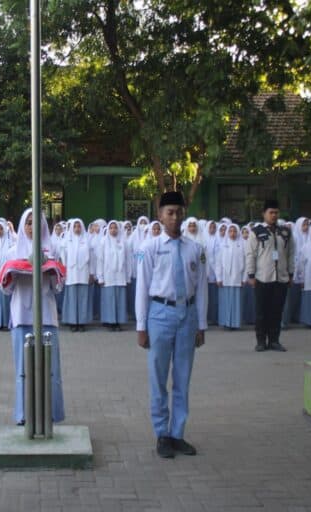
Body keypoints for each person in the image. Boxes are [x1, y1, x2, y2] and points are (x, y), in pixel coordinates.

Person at [135, 191, 207, 459]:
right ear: (160, 215)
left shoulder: (195, 249)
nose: (175, 217)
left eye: (179, 212)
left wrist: (201, 324)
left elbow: (201, 289)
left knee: (183, 378)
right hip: (160, 314)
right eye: (170, 213)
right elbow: (141, 288)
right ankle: (161, 434)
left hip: (186, 316)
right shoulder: (149, 248)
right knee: (158, 377)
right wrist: (141, 326)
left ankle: (178, 433)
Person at [0, 208, 65, 426]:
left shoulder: (53, 250)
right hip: (21, 315)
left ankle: (52, 413)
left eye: (36, 222)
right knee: (23, 368)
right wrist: (15, 274)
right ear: (22, 225)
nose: (31, 227)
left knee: (51, 367)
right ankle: (24, 414)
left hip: (46, 314)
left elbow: (59, 285)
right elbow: (6, 288)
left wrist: (50, 272)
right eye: (28, 222)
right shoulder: (12, 252)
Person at [245, 199, 295, 352]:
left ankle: (274, 340)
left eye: (276, 212)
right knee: (261, 311)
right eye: (271, 212)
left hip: (281, 278)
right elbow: (250, 255)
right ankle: (261, 341)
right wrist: (251, 275)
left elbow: (291, 254)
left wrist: (291, 274)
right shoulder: (256, 232)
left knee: (276, 311)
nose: (273, 215)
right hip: (262, 277)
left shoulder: (285, 232)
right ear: (264, 214)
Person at [97, 220, 129, 331]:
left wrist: (127, 276)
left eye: (115, 228)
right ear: (108, 229)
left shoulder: (123, 242)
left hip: (120, 275)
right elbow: (100, 260)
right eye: (111, 228)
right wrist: (100, 276)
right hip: (108, 275)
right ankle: (110, 322)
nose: (113, 230)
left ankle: (118, 322)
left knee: (119, 299)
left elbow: (127, 260)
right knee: (109, 299)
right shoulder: (103, 241)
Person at [61, 219, 92, 332]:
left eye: (79, 226)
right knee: (72, 299)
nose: (77, 229)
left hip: (84, 273)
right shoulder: (67, 241)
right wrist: (64, 271)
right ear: (72, 228)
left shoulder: (86, 240)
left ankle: (82, 322)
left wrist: (91, 273)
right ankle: (72, 322)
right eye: (75, 226)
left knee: (83, 298)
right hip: (71, 273)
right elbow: (63, 257)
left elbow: (92, 259)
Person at [216, 223, 244, 330]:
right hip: (225, 278)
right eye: (230, 231)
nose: (232, 233)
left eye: (234, 231)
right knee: (226, 301)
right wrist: (219, 278)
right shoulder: (223, 245)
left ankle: (235, 323)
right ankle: (226, 323)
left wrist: (244, 278)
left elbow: (245, 263)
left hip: (237, 277)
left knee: (236, 302)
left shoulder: (241, 245)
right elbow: (218, 263)